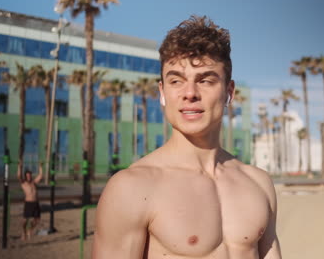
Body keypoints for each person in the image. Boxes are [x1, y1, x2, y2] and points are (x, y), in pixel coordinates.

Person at [92, 15, 282, 259]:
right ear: (162, 92)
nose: (189, 93)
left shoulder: (259, 183)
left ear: (229, 92)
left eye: (205, 80)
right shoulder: (132, 188)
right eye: (176, 81)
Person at [17, 163, 43, 240]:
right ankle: (24, 231)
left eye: (30, 175)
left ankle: (30, 229)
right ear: (25, 176)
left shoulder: (34, 182)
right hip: (28, 203)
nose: (29, 176)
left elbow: (41, 175)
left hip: (35, 203)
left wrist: (40, 166)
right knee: (25, 220)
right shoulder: (23, 183)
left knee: (37, 219)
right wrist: (19, 166)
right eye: (27, 175)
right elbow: (18, 176)